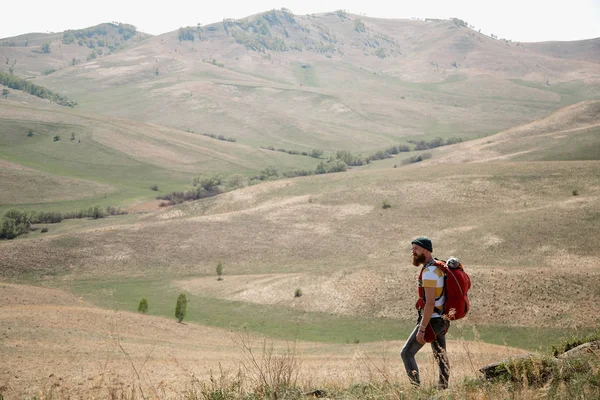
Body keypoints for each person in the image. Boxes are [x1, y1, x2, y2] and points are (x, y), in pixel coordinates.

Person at [401, 236, 450, 389]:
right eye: (412, 248)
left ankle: (416, 391)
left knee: (407, 353)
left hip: (432, 320)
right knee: (441, 356)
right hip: (442, 319)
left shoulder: (429, 272)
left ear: (426, 250)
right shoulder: (437, 267)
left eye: (416, 248)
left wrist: (422, 329)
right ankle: (443, 390)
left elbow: (429, 304)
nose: (412, 252)